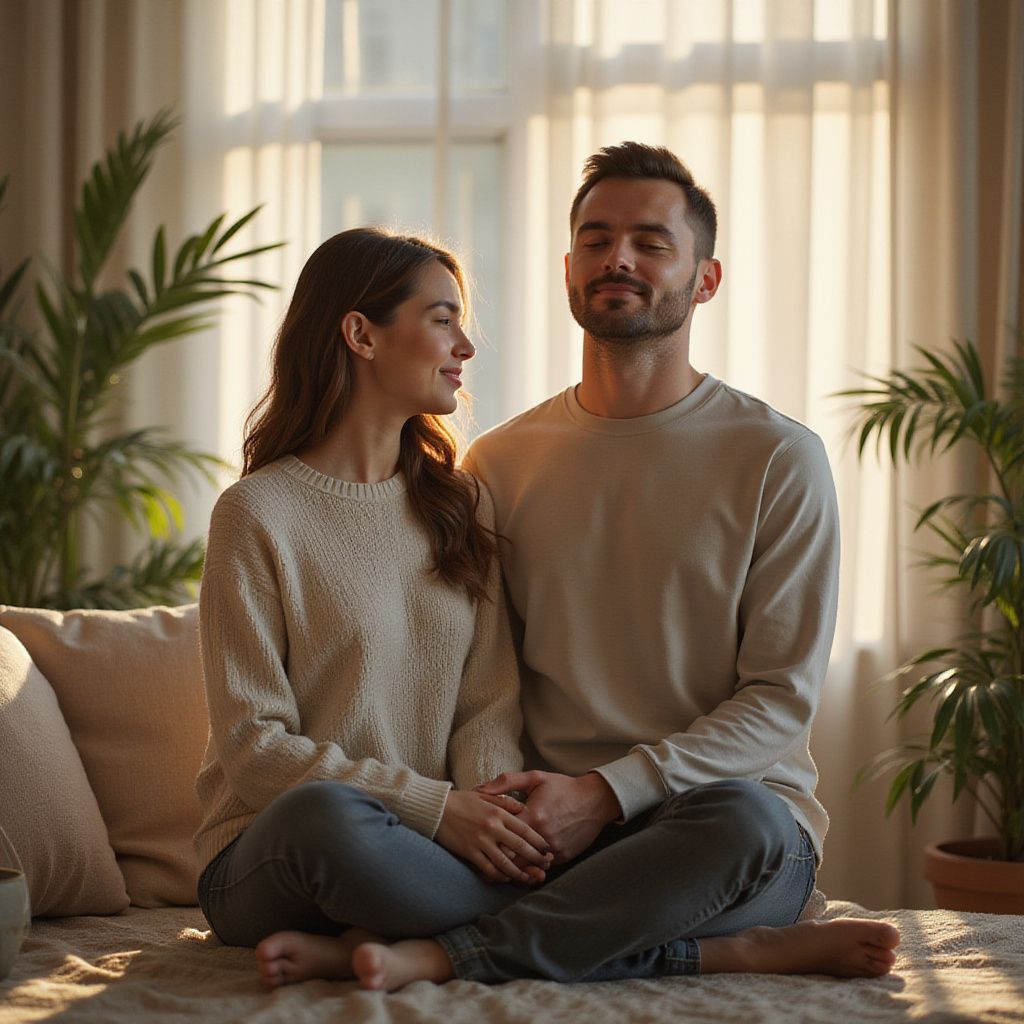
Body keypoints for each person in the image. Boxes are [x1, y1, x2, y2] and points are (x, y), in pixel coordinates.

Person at [347, 143, 901, 990]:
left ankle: (453, 954)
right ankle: (712, 951)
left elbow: (780, 703)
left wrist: (605, 794)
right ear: (568, 269)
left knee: (750, 822)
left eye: (651, 241)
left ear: (704, 279)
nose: (620, 260)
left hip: (714, 829)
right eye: (597, 240)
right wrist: (501, 809)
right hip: (553, 838)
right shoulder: (499, 462)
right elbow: (482, 678)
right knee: (346, 839)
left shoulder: (777, 457)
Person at [193, 227, 554, 989]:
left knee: (563, 841)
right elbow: (255, 748)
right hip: (278, 853)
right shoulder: (257, 514)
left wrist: (491, 820)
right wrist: (437, 810)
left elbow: (489, 705)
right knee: (323, 817)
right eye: (442, 319)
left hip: (420, 856)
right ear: (361, 333)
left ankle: (390, 943)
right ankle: (576, 927)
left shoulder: (459, 506)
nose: (465, 346)